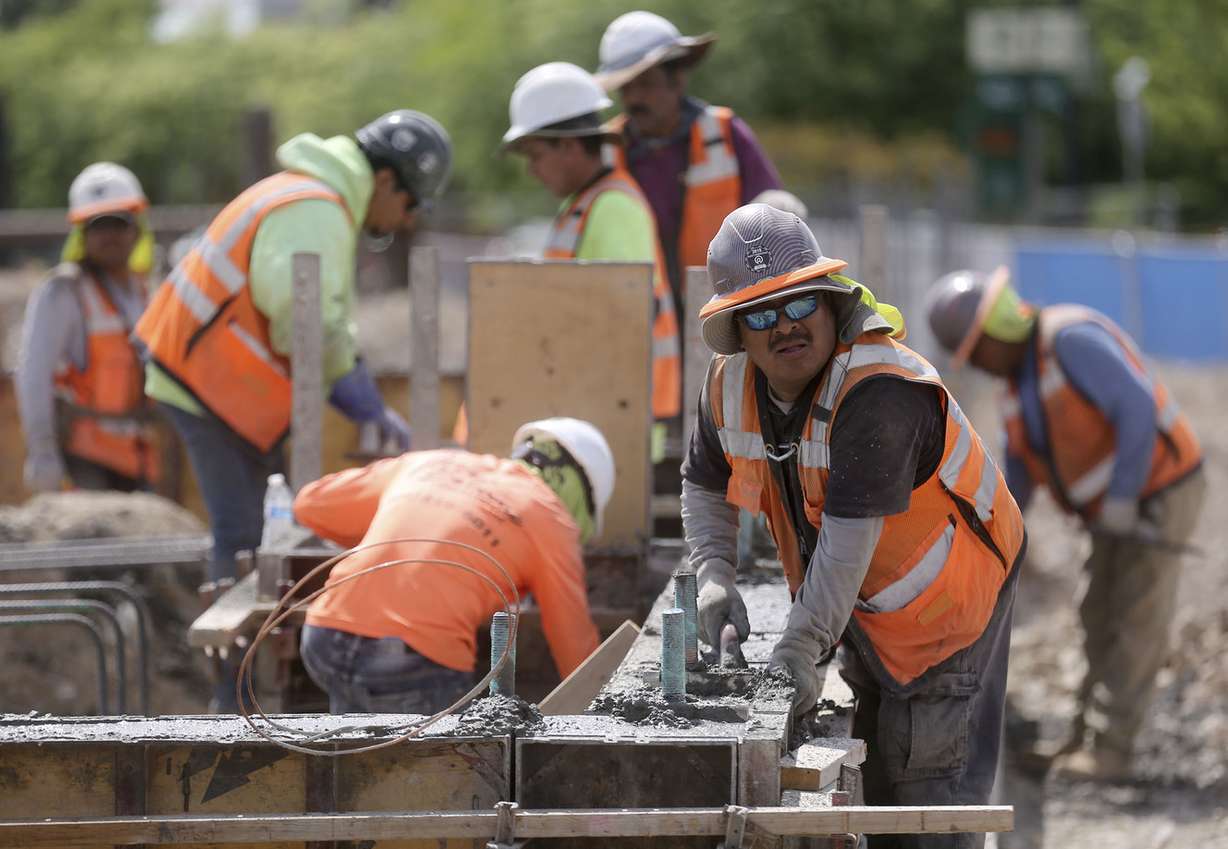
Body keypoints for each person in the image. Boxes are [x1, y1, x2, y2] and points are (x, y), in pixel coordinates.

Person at [683, 204, 1025, 847]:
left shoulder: (880, 391)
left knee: (927, 798)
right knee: (881, 768)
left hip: (949, 606)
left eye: (798, 304)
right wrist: (714, 576)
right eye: (760, 314)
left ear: (828, 300)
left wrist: (799, 650)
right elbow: (703, 483)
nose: (784, 326)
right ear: (737, 331)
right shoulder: (729, 385)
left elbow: (846, 542)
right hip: (873, 605)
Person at [135, 110, 452, 710]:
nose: (406, 220)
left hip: (219, 381)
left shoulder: (312, 199)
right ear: (386, 181)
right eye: (411, 204)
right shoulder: (317, 207)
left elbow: (306, 319)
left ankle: (244, 696)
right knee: (244, 540)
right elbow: (301, 315)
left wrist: (354, 387)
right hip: (205, 378)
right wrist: (355, 390)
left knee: (260, 535)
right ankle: (234, 706)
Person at [926, 267, 1205, 781]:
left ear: (993, 333)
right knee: (1097, 613)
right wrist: (993, 540)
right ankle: (1082, 738)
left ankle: (1112, 751)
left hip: (1160, 487)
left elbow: (1137, 410)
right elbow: (1019, 483)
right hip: (1114, 507)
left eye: (976, 352)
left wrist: (1122, 500)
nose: (981, 367)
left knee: (1137, 614)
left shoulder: (1069, 340)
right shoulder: (1016, 389)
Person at [295, 418, 611, 714]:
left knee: (354, 752)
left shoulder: (432, 462)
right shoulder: (551, 518)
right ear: (580, 494)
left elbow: (311, 504)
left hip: (326, 636)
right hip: (415, 663)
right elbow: (576, 650)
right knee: (448, 767)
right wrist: (604, 718)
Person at [503, 61, 680, 424]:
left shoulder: (613, 207)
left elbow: (623, 317)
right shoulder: (584, 204)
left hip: (620, 414)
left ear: (569, 146)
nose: (532, 170)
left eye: (536, 155)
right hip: (597, 406)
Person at [594, 10, 782, 311]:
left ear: (678, 79)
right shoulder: (606, 148)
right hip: (639, 316)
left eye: (645, 83)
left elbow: (772, 214)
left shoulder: (725, 133)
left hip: (727, 312)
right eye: (625, 87)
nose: (633, 98)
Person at [17, 162, 161, 493]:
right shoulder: (63, 291)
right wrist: (43, 454)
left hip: (138, 459)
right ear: (82, 233)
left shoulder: (144, 292)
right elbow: (33, 376)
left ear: (136, 228)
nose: (109, 234)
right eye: (98, 225)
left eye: (118, 222)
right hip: (83, 462)